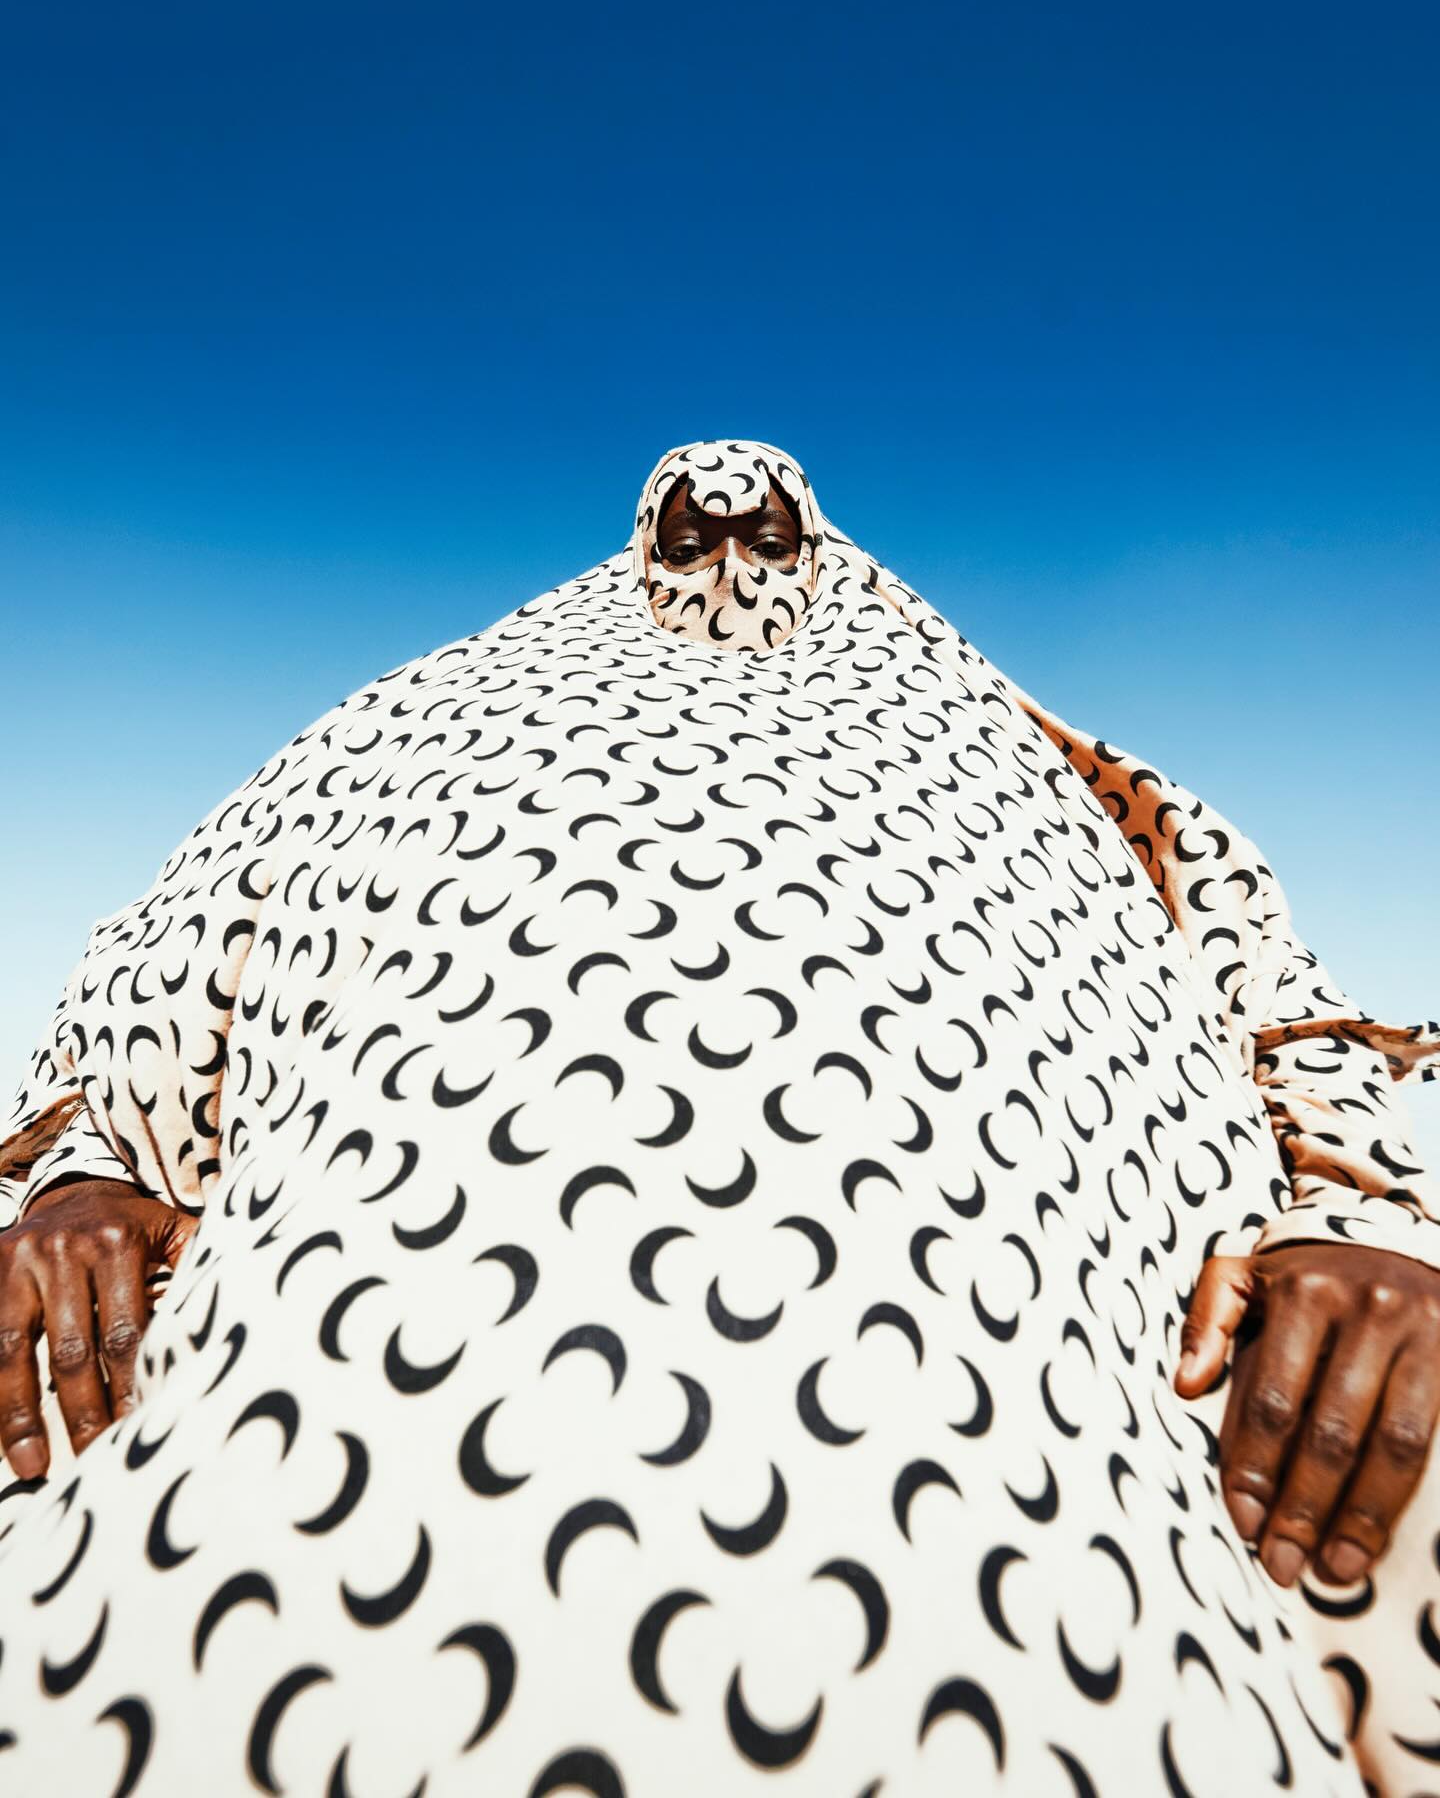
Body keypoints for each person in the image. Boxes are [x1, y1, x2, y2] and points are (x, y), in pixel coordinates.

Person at [0, 439, 1437, 1797]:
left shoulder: (1034, 775)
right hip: (315, 1423)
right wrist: (75, 1180)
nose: (733, 573)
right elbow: (169, 966)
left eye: (769, 537)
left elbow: (1272, 1002)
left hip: (1087, 1458)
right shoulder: (411, 732)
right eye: (691, 539)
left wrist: (1371, 1218)